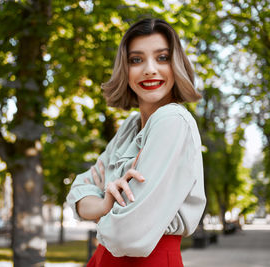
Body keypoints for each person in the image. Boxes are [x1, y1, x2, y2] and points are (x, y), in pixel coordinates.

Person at [66, 18, 206, 266]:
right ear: (125, 69)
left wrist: (100, 213)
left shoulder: (172, 120)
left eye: (162, 58)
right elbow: (78, 192)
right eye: (136, 60)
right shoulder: (130, 127)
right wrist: (106, 204)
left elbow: (127, 234)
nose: (150, 69)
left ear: (176, 65)